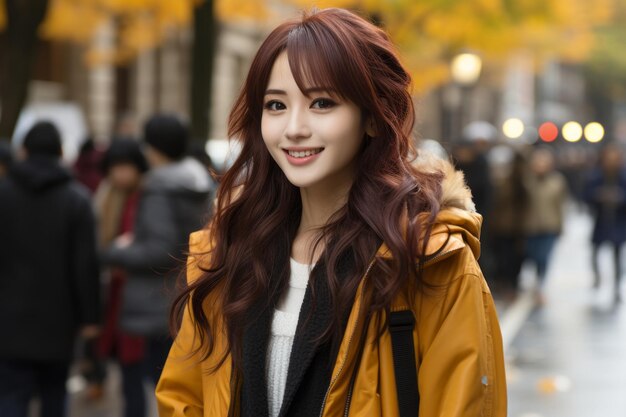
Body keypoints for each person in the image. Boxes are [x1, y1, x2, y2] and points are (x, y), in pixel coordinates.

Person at [156, 8, 506, 417]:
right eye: (275, 105)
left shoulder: (431, 263)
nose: (294, 128)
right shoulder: (227, 254)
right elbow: (185, 398)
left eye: (322, 103)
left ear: (373, 117)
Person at [101, 115, 213, 409]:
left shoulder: (160, 188)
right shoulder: (197, 181)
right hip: (185, 292)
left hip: (159, 299)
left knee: (163, 384)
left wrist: (115, 252)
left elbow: (159, 250)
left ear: (153, 148)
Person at [0, 121, 100, 417]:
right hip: (59, 320)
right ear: (59, 152)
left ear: (23, 151)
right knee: (54, 396)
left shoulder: (3, 196)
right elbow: (85, 265)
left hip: (7, 320)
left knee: (10, 397)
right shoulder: (77, 199)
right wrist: (90, 318)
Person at [523, 147, 567, 304]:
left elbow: (560, 205)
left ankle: (540, 286)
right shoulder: (526, 181)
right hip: (529, 226)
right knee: (531, 256)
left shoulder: (557, 181)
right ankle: (532, 283)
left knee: (544, 258)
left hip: (549, 226)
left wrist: (561, 226)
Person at [584, 144, 626, 303]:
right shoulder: (596, 176)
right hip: (601, 220)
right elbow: (587, 195)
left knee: (617, 256)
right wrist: (599, 195)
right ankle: (597, 277)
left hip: (618, 221)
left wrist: (619, 197)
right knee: (595, 252)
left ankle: (616, 286)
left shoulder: (623, 176)